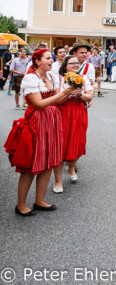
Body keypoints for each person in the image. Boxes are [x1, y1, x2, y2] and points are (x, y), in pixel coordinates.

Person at [10, 49, 73, 216]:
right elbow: (38, 103)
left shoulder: (52, 77)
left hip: (52, 121)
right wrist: (63, 93)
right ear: (37, 61)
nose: (51, 61)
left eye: (51, 58)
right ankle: (21, 205)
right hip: (36, 122)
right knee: (30, 165)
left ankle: (39, 200)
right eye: (47, 58)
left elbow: (58, 101)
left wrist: (69, 94)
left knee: (49, 162)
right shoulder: (31, 78)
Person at [52, 55, 93, 192]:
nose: (75, 65)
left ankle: (71, 167)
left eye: (77, 63)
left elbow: (89, 97)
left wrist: (80, 94)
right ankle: (58, 181)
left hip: (79, 112)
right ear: (65, 65)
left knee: (78, 142)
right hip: (63, 112)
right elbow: (57, 101)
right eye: (72, 63)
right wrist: (67, 92)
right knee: (60, 145)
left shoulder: (84, 78)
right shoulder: (58, 79)